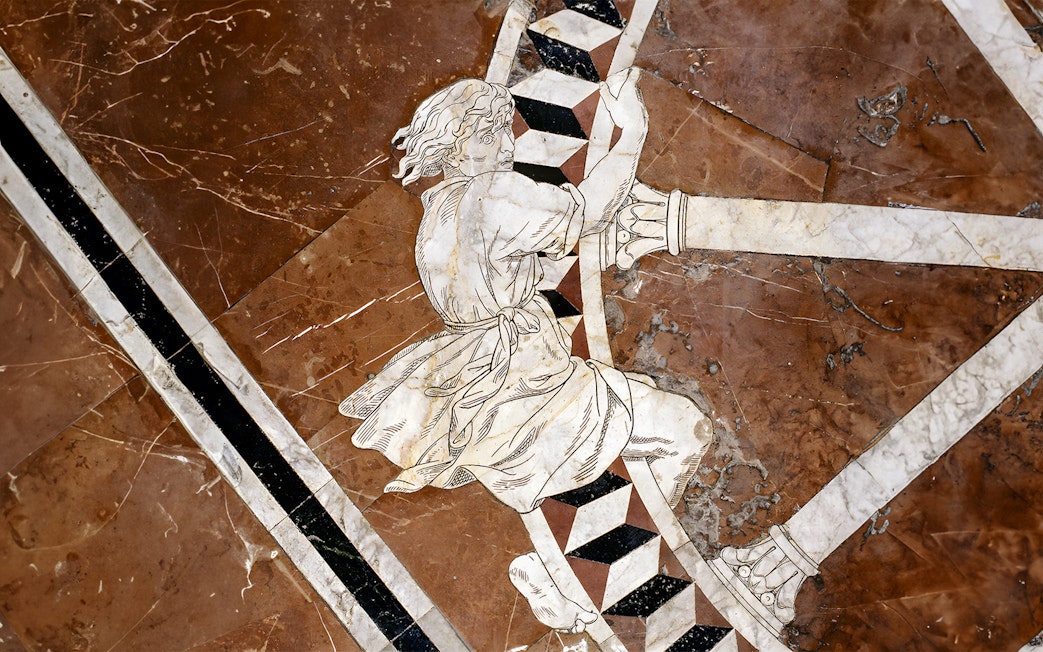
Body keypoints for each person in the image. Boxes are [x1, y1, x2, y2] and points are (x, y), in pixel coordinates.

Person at [339, 68, 712, 633]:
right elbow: (587, 210)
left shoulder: (438, 212)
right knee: (687, 429)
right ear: (462, 140)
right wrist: (631, 134)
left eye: (504, 125)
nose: (507, 139)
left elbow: (495, 271)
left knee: (616, 446)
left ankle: (564, 569)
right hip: (527, 379)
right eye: (492, 127)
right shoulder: (493, 194)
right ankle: (570, 580)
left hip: (471, 391)